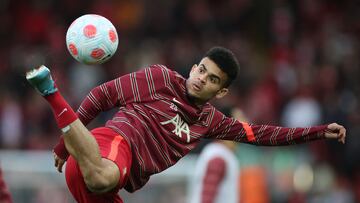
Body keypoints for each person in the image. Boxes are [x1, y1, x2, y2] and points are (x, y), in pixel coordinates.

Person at [26, 47, 346, 203]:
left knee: (103, 182)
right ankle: (50, 91)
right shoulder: (160, 77)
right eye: (201, 70)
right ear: (194, 67)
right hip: (111, 146)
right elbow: (101, 95)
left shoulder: (210, 122)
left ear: (220, 92)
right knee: (103, 176)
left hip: (106, 186)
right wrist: (60, 147)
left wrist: (318, 132)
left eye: (212, 80)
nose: (201, 79)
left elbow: (264, 135)